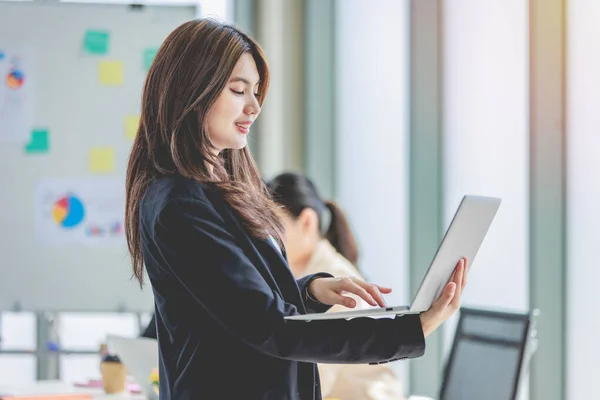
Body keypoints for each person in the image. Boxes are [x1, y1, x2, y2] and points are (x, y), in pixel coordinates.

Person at [125, 18, 466, 400]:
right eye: (239, 90)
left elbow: (240, 305)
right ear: (191, 91)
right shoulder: (180, 205)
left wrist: (312, 291)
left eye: (256, 92)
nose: (254, 107)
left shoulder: (213, 192)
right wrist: (410, 329)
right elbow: (271, 327)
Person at [267, 172, 408, 400]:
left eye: (274, 226)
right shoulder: (301, 274)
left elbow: (317, 376)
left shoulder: (335, 279)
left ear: (307, 223)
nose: (267, 237)